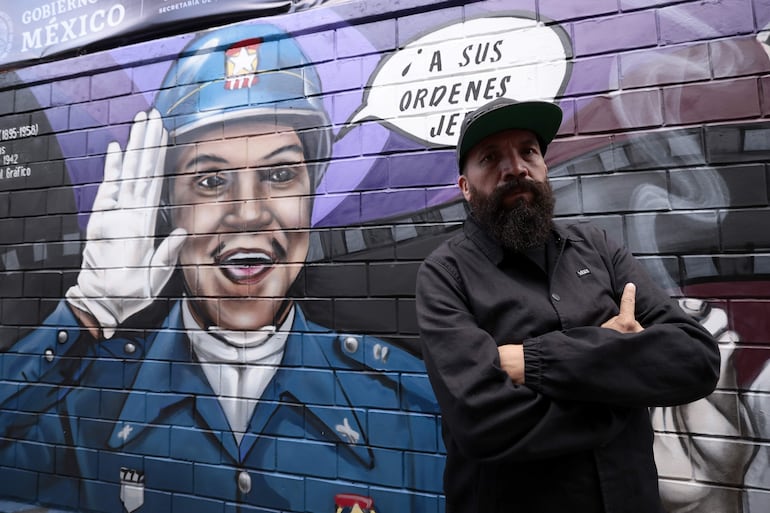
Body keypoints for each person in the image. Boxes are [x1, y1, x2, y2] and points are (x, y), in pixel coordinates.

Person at [0, 23, 437, 513]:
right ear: (167, 209)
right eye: (209, 180)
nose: (248, 212)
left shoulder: (406, 405)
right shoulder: (90, 402)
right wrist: (87, 312)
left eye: (278, 174)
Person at [414, 97, 721, 513]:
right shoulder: (445, 275)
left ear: (543, 166)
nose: (515, 168)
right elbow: (482, 421)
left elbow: (696, 359)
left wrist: (533, 361)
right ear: (465, 188)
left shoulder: (598, 248)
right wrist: (619, 385)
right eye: (490, 158)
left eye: (528, 151)